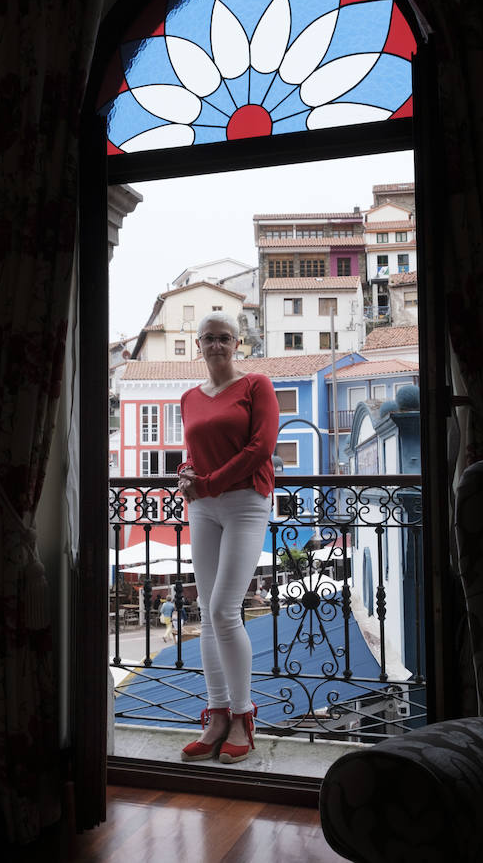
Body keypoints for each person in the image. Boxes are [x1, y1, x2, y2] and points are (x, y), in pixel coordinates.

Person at [176, 312, 278, 764]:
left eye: (224, 337)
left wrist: (210, 482)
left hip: (244, 502)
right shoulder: (188, 397)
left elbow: (261, 448)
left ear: (237, 343)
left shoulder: (257, 385)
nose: (216, 344)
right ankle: (216, 715)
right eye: (208, 338)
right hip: (202, 507)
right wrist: (185, 475)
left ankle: (242, 715)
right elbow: (191, 453)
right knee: (206, 611)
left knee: (224, 608)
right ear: (198, 345)